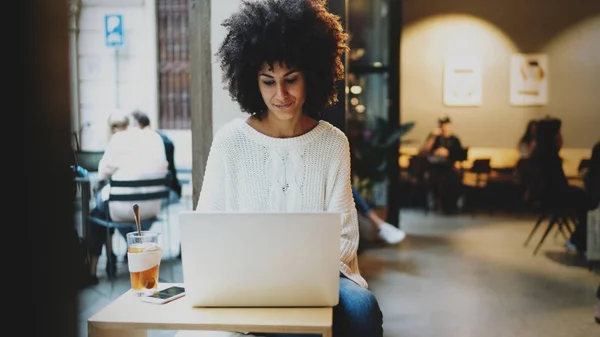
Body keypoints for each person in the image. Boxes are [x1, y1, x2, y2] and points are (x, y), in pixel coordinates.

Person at [195, 1, 383, 336]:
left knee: (362, 308)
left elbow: (345, 235)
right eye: (268, 81)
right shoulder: (230, 141)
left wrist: (301, 276)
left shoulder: (333, 142)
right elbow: (208, 228)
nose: (280, 94)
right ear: (253, 82)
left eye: (291, 79)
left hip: (323, 277)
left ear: (312, 75)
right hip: (247, 278)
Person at [87, 111, 168, 283]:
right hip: (152, 206)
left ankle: (97, 267)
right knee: (106, 208)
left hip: (123, 209)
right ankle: (120, 255)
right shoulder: (155, 137)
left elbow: (103, 172)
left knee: (97, 213)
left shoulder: (119, 140)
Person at [527, 118, 596, 254]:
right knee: (591, 203)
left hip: (544, 196)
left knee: (587, 200)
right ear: (552, 136)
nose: (561, 136)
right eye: (559, 133)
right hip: (552, 198)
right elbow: (559, 187)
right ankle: (581, 241)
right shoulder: (550, 157)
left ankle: (579, 240)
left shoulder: (540, 153)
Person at [130, 110, 182, 205]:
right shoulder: (164, 140)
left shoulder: (143, 143)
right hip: (169, 192)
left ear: (139, 126)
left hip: (162, 195)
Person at [421, 116, 464, 213]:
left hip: (450, 167)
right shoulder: (435, 138)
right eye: (443, 126)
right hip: (435, 167)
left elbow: (459, 155)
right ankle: (435, 204)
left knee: (454, 180)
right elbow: (425, 151)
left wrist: (448, 153)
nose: (445, 128)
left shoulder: (455, 140)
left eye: (447, 126)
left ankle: (451, 206)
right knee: (434, 180)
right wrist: (433, 136)